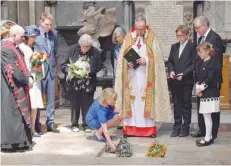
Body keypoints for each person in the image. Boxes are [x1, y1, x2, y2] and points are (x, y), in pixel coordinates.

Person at [115, 13, 172, 137]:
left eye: (142, 29)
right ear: (134, 26)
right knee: (133, 101)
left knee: (145, 101)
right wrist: (127, 64)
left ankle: (148, 130)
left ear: (145, 26)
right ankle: (130, 129)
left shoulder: (152, 37)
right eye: (137, 29)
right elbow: (121, 59)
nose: (140, 32)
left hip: (147, 77)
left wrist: (146, 60)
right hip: (132, 77)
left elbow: (157, 59)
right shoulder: (129, 37)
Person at [1, 25, 33, 151]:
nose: (24, 38)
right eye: (21, 35)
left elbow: (23, 65)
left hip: (18, 84)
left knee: (17, 115)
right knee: (13, 114)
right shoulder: (6, 49)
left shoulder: (14, 47)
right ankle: (13, 144)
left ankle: (22, 142)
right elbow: (13, 69)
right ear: (13, 35)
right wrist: (26, 81)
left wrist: (28, 77)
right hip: (11, 88)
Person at [61, 34, 102, 133]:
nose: (86, 49)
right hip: (74, 83)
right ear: (80, 45)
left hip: (88, 83)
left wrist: (90, 71)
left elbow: (99, 66)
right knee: (75, 104)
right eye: (84, 46)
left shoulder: (95, 52)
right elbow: (63, 65)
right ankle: (74, 124)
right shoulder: (71, 50)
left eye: (88, 47)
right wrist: (71, 71)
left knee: (87, 104)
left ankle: (86, 124)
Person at [191, 16, 223, 140]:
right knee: (202, 106)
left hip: (210, 80)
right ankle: (203, 130)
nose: (196, 30)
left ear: (205, 25)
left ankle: (212, 133)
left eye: (197, 28)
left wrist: (207, 81)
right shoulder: (200, 38)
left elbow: (216, 62)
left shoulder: (214, 38)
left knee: (212, 108)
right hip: (201, 79)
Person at [168, 25, 196, 137]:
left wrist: (183, 74)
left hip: (186, 80)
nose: (180, 38)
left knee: (186, 104)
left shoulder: (192, 46)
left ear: (187, 35)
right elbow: (170, 61)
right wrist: (171, 71)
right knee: (176, 104)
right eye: (178, 35)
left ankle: (185, 128)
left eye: (182, 35)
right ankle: (177, 127)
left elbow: (194, 64)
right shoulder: (174, 47)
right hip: (175, 80)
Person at [34, 12, 59, 133]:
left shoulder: (53, 35)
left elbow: (55, 52)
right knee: (39, 98)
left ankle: (50, 122)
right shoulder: (35, 34)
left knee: (50, 99)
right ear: (41, 22)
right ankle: (36, 124)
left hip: (51, 71)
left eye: (50, 24)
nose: (49, 27)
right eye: (46, 24)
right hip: (40, 71)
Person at [19, 26, 44, 137]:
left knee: (36, 105)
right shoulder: (22, 47)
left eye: (35, 36)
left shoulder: (35, 47)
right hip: (28, 78)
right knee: (30, 105)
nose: (34, 38)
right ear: (26, 37)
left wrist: (39, 62)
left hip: (36, 77)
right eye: (32, 36)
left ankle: (33, 129)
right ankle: (28, 129)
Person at [195, 42, 220, 146]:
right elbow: (199, 77)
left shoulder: (212, 63)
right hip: (204, 92)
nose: (199, 54)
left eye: (200, 52)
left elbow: (209, 79)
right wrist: (197, 88)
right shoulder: (201, 63)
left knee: (208, 116)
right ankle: (208, 137)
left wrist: (200, 89)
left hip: (210, 93)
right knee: (206, 116)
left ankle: (208, 138)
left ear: (207, 51)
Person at [86, 88, 122, 152]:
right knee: (113, 119)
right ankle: (99, 133)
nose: (114, 101)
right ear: (106, 99)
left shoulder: (105, 101)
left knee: (117, 116)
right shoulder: (100, 109)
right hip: (92, 120)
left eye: (115, 99)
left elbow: (115, 111)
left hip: (103, 115)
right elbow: (105, 130)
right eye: (113, 100)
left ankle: (99, 132)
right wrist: (112, 145)